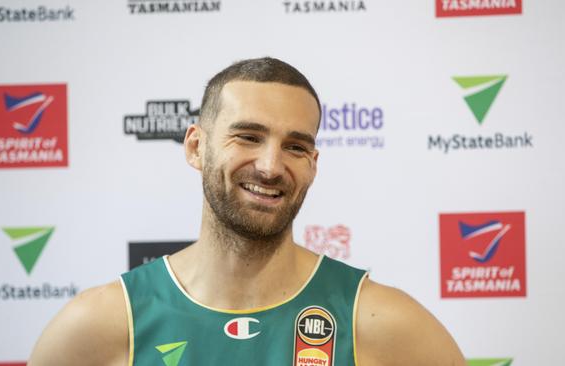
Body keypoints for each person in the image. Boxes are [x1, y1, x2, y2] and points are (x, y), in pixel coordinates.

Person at [28, 57, 465, 366]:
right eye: (248, 137)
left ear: (313, 165)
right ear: (197, 146)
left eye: (295, 146)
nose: (271, 166)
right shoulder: (100, 325)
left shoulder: (384, 324)